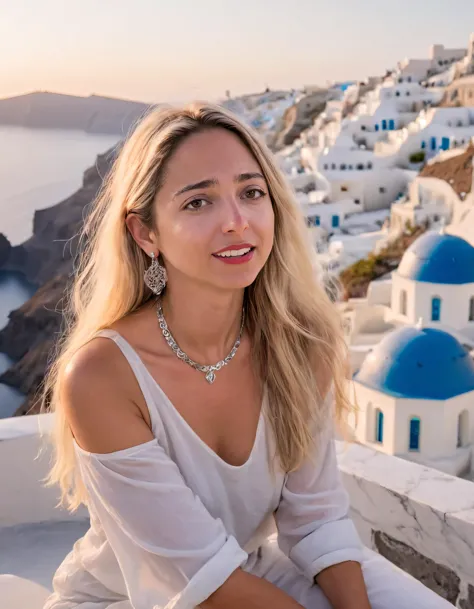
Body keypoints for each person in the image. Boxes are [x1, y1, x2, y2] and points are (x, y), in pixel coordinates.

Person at [42, 103, 450, 609]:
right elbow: (198, 578)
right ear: (146, 233)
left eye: (251, 193)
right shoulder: (102, 376)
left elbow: (316, 519)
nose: (236, 222)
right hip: (132, 595)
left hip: (248, 569)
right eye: (198, 203)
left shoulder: (303, 346)